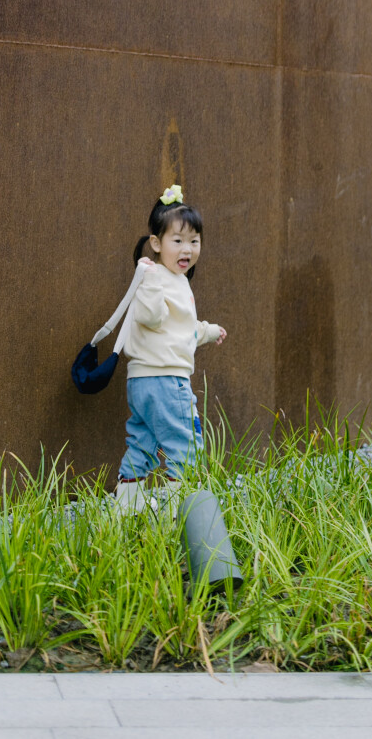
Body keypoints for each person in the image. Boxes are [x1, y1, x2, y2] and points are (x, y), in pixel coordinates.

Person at [116, 185, 226, 511]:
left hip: (142, 381)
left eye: (194, 241)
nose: (187, 249)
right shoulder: (156, 277)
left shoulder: (174, 280)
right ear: (156, 244)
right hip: (166, 381)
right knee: (185, 445)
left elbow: (178, 328)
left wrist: (207, 331)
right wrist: (149, 282)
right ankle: (185, 511)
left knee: (144, 443)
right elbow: (151, 317)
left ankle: (126, 506)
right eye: (177, 240)